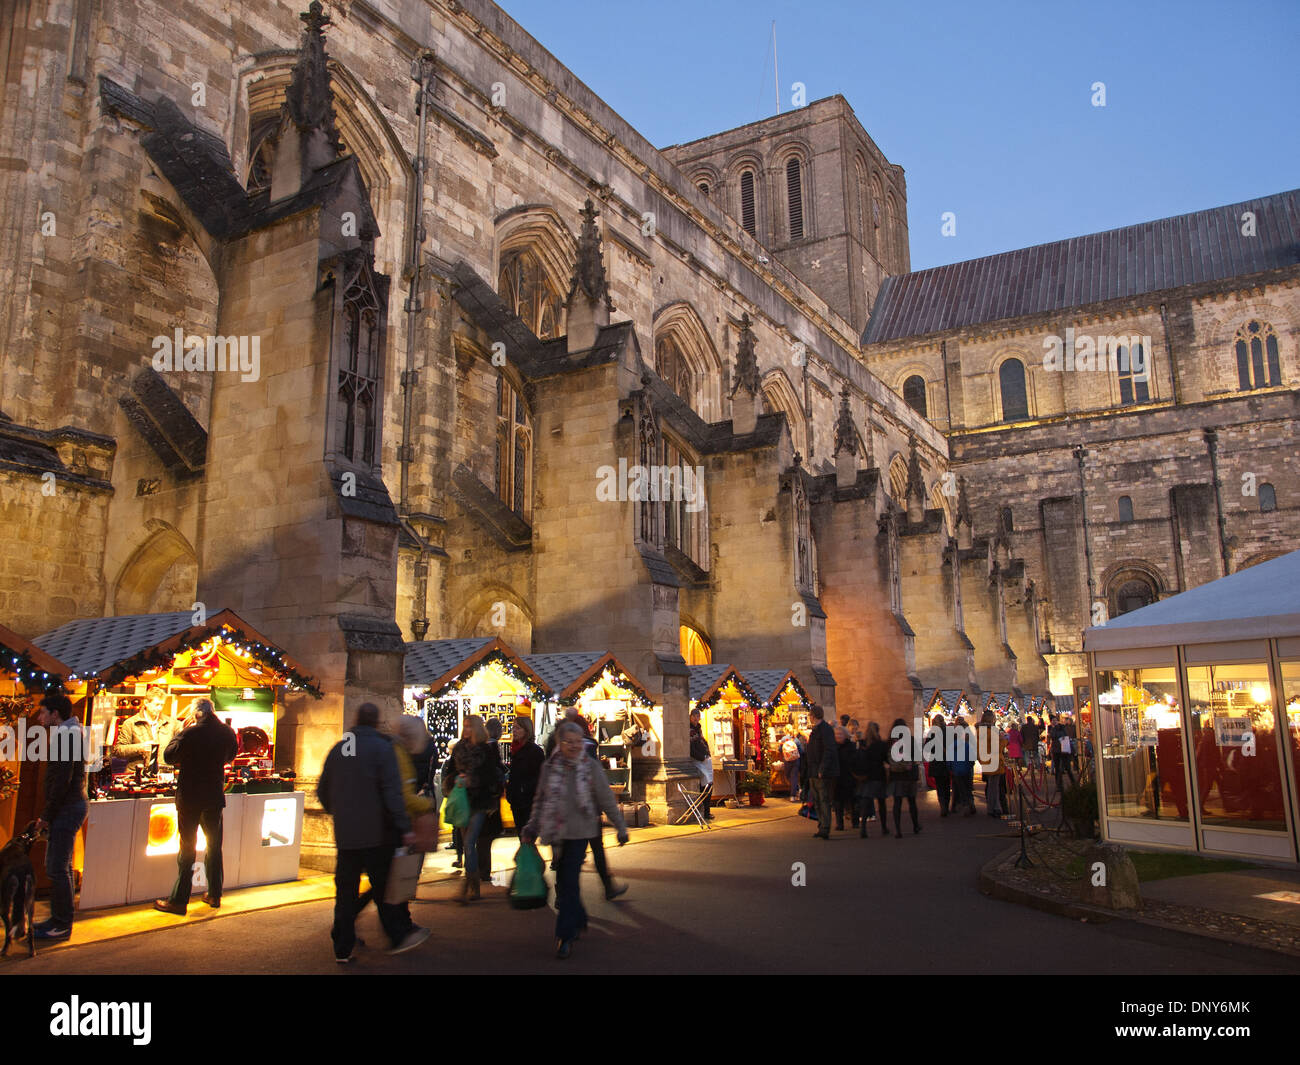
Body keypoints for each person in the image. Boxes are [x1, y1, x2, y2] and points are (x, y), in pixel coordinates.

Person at [317, 702, 428, 961]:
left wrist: (339, 812)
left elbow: (323, 790)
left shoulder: (339, 748)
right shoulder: (382, 749)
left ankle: (342, 948)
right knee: (382, 888)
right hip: (375, 832)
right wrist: (403, 827)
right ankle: (397, 934)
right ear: (377, 722)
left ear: (356, 720)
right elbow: (392, 793)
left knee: (345, 892)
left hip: (346, 834)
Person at [522, 722, 629, 959]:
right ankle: (579, 917)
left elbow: (606, 799)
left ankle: (565, 935)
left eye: (577, 741)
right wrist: (532, 825)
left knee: (568, 880)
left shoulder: (590, 767)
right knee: (564, 880)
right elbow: (540, 799)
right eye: (568, 741)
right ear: (559, 743)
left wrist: (621, 826)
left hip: (582, 830)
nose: (573, 746)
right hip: (556, 833)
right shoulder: (550, 767)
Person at [153, 698, 238, 916]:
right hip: (213, 796)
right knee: (214, 846)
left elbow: (169, 756)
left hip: (190, 796)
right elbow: (230, 757)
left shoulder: (190, 733)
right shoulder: (227, 733)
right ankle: (214, 894)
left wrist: (181, 732)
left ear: (197, 713)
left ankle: (180, 900)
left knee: (187, 848)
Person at [32, 693, 87, 942]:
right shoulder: (70, 732)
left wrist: (47, 814)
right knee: (61, 866)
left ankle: (62, 923)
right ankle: (59, 919)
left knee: (56, 867)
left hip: (67, 806)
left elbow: (62, 780)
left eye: (43, 712)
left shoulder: (67, 734)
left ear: (56, 713)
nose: (39, 716)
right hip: (70, 804)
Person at [451, 715, 501, 901]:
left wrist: (473, 781)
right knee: (467, 843)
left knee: (469, 843)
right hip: (462, 800)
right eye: (464, 726)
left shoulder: (486, 750)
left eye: (469, 726)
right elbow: (451, 770)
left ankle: (469, 885)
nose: (466, 730)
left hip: (479, 802)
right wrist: (455, 782)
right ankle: (473, 884)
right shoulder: (459, 748)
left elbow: (491, 775)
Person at [112, 684, 182, 773]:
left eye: (162, 705)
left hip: (162, 775)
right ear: (146, 703)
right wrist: (140, 747)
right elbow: (118, 750)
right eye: (156, 704)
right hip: (136, 775)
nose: (159, 708)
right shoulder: (131, 723)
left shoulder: (172, 724)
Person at [805, 705, 838, 839]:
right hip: (814, 770)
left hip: (821, 771)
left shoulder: (824, 730)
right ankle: (821, 825)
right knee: (817, 800)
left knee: (823, 799)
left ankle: (825, 827)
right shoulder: (817, 730)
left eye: (810, 716)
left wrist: (822, 768)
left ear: (813, 716)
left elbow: (828, 750)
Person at [506, 717, 545, 829]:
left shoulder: (535, 751)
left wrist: (524, 789)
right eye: (513, 728)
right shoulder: (515, 749)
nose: (514, 731)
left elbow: (538, 776)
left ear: (526, 731)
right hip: (517, 800)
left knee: (527, 836)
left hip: (528, 801)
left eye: (518, 728)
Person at [887, 717, 921, 836]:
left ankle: (898, 829)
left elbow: (887, 759)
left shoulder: (890, 741)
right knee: (912, 802)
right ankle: (915, 826)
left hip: (896, 776)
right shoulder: (910, 740)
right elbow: (917, 757)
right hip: (909, 775)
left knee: (897, 803)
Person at [856, 720, 889, 837]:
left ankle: (863, 828)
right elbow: (886, 760)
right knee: (881, 803)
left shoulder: (862, 743)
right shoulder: (881, 744)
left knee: (866, 802)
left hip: (866, 776)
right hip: (878, 775)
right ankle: (884, 827)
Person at [688, 709, 714, 821]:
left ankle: (707, 809)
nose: (696, 718)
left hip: (705, 759)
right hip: (698, 760)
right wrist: (701, 757)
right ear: (690, 717)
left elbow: (702, 742)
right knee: (705, 783)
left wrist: (707, 753)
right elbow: (690, 748)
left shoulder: (699, 729)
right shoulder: (688, 730)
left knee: (709, 784)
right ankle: (704, 810)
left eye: (697, 716)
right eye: (694, 716)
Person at [976, 711, 1003, 818]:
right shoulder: (991, 731)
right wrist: (1004, 740)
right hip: (994, 760)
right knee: (994, 787)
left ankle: (991, 807)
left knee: (991, 786)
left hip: (987, 761)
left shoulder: (979, 731)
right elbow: (997, 747)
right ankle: (995, 808)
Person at [949, 715, 977, 815]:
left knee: (958, 787)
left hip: (957, 768)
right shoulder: (967, 741)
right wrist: (971, 764)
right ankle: (970, 804)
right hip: (966, 766)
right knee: (968, 787)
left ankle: (957, 805)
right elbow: (972, 753)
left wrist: (950, 767)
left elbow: (950, 756)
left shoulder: (953, 742)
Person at [927, 714, 952, 816]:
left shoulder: (931, 733)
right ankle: (946, 805)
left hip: (936, 761)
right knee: (946, 785)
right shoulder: (948, 732)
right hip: (946, 761)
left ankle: (942, 805)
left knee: (939, 786)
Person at [834, 724, 856, 831]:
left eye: (840, 734)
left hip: (849, 776)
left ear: (845, 735)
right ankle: (839, 823)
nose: (838, 736)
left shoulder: (851, 746)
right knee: (838, 802)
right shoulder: (833, 747)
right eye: (836, 734)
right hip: (838, 778)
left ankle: (855, 821)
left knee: (852, 801)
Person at [779, 727, 802, 801]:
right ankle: (795, 793)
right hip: (796, 760)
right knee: (794, 777)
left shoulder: (784, 739)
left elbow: (780, 749)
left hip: (787, 760)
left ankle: (794, 792)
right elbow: (801, 750)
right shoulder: (796, 740)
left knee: (788, 776)